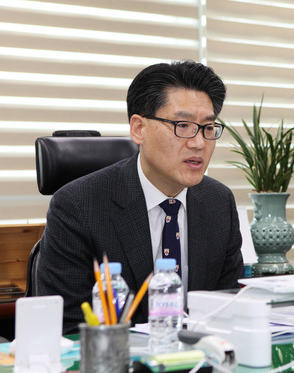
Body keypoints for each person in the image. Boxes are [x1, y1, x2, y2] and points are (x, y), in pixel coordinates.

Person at [36, 60, 244, 334]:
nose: (198, 143)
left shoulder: (218, 203)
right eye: (182, 125)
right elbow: (70, 327)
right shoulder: (78, 206)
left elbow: (229, 309)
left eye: (208, 127)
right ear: (138, 129)